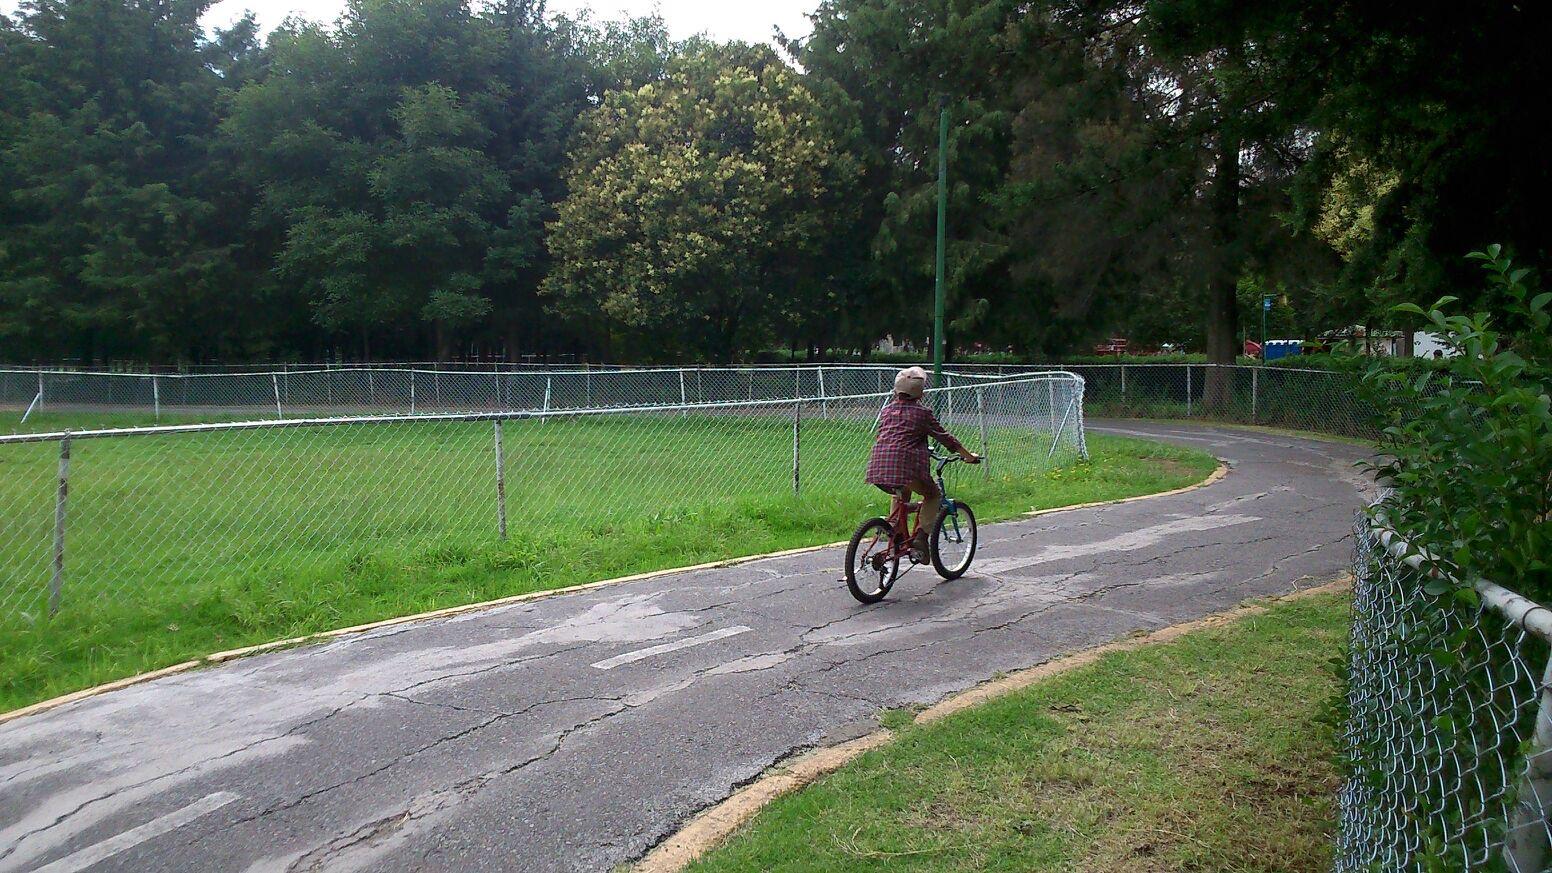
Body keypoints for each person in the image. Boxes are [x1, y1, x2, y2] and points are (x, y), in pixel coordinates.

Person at [865, 367, 980, 561]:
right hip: (907, 468)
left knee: (900, 492)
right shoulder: (922, 413)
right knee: (933, 495)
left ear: (895, 390)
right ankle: (920, 538)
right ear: (921, 392)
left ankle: (897, 534)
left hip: (878, 466)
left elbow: (895, 435)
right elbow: (946, 438)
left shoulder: (886, 411)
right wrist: (968, 456)